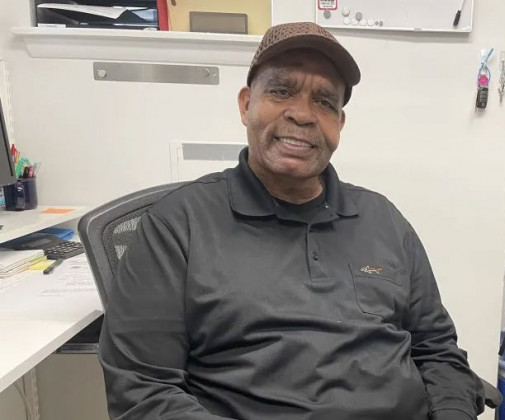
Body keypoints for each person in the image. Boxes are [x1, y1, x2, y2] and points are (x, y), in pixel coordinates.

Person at [99, 22, 482, 420]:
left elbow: (437, 350)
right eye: (281, 91)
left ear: (340, 124)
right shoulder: (178, 225)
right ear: (246, 104)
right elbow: (142, 389)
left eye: (324, 101)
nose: (302, 114)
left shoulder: (383, 219)